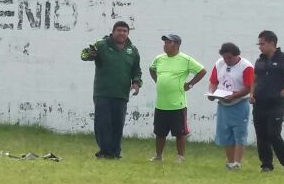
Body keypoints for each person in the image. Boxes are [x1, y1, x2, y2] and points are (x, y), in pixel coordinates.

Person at [80, 20, 142, 159]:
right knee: (102, 124)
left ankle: (115, 152)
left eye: (125, 31)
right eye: (119, 30)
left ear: (128, 34)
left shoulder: (133, 50)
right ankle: (105, 151)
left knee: (118, 124)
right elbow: (84, 55)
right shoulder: (101, 44)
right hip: (102, 92)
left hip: (121, 93)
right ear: (113, 32)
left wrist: (136, 83)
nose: (122, 33)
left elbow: (136, 70)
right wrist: (91, 54)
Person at [250, 30, 284, 174]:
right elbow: (254, 80)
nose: (259, 47)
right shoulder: (260, 60)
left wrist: (282, 93)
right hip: (259, 102)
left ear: (272, 43)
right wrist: (251, 94)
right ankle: (266, 165)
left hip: (276, 104)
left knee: (273, 134)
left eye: (262, 43)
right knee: (261, 134)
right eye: (258, 44)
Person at [148, 33, 205, 163]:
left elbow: (202, 71)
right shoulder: (159, 59)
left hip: (177, 104)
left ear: (177, 45)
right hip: (161, 103)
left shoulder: (185, 59)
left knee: (180, 132)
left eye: (169, 42)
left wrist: (190, 84)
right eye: (165, 42)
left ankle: (180, 156)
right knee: (159, 132)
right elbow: (151, 69)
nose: (165, 45)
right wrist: (158, 80)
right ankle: (158, 156)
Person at [207, 42, 254, 170]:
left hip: (239, 104)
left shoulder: (246, 66)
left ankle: (237, 163)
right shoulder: (219, 63)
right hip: (223, 104)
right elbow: (213, 81)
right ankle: (230, 161)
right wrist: (211, 92)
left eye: (229, 58)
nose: (226, 60)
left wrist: (234, 96)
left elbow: (249, 87)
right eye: (224, 57)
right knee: (225, 133)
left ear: (236, 55)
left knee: (239, 133)